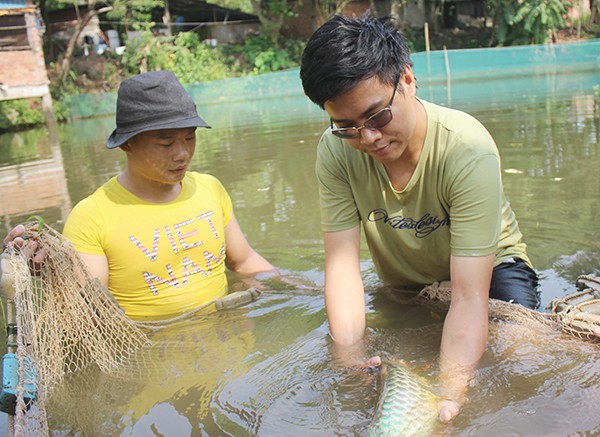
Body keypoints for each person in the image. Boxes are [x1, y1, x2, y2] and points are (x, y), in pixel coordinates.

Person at [299, 15, 541, 423]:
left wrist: (451, 393)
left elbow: (468, 295)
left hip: (492, 271)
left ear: (407, 80)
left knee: (518, 359)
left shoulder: (466, 148)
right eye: (347, 126)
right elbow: (342, 269)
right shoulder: (335, 151)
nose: (369, 138)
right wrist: (349, 361)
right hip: (407, 282)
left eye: (377, 116)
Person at [3, 70, 277, 321]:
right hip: (152, 358)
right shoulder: (92, 216)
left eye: (190, 138)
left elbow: (243, 261)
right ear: (127, 144)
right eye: (166, 142)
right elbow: (89, 310)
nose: (182, 153)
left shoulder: (210, 189)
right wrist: (53, 271)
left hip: (233, 353)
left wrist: (298, 289)